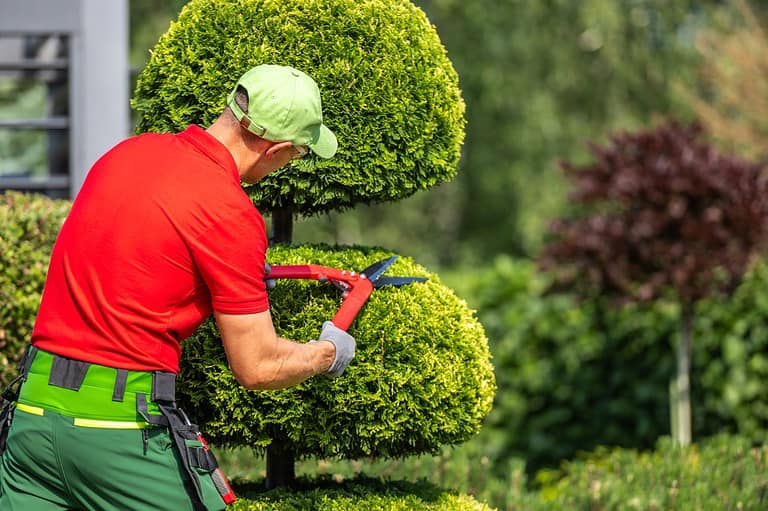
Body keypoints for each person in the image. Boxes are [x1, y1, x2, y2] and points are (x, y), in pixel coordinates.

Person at [0, 64, 355, 510]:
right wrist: (327, 353)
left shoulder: (126, 153)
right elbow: (258, 366)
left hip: (32, 418)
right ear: (277, 149)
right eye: (298, 154)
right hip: (118, 429)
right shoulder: (230, 212)